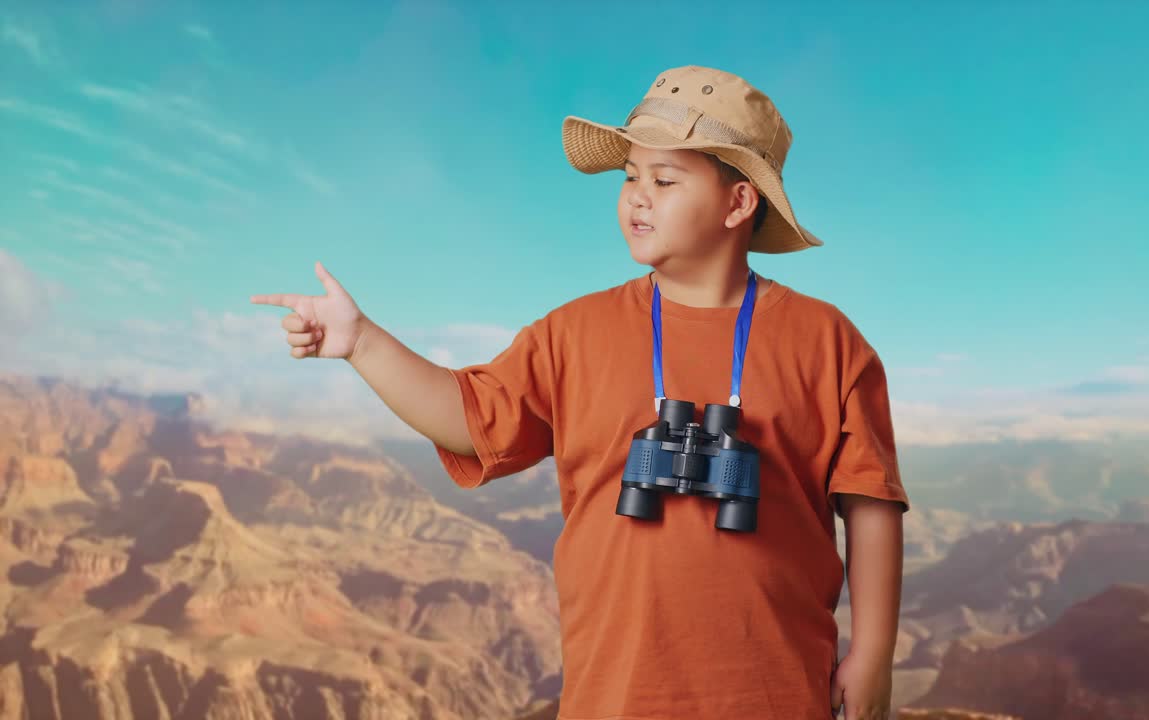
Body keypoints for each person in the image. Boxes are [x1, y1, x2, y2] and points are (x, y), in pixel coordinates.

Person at [252, 65, 910, 720]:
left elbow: (870, 500)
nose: (637, 197)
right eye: (630, 178)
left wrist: (872, 652)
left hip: (776, 690)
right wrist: (362, 342)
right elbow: (469, 417)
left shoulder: (827, 342)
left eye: (665, 179)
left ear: (739, 203)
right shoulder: (572, 334)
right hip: (618, 693)